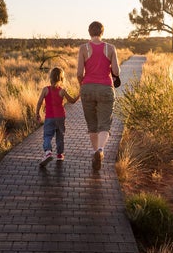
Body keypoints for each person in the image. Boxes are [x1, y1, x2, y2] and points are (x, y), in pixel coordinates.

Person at [77, 21, 120, 170]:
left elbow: (79, 73)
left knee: (92, 124)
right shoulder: (110, 48)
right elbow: (116, 71)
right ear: (102, 32)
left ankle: (95, 151)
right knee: (104, 124)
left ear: (89, 32)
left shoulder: (83, 48)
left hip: (87, 87)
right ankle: (101, 150)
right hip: (105, 89)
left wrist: (81, 85)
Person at [35, 67, 79, 166]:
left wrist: (37, 113)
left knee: (47, 135)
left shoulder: (46, 89)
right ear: (61, 79)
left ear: (51, 77)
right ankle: (60, 155)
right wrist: (79, 95)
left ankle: (48, 152)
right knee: (60, 136)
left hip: (50, 117)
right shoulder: (62, 91)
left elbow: (39, 102)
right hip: (60, 117)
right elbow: (72, 101)